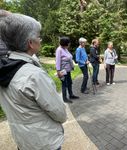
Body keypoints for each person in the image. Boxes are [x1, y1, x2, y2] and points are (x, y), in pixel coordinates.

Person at [0, 13, 67, 150]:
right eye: (38, 36)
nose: (40, 40)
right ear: (30, 43)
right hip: (44, 142)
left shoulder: (5, 67)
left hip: (23, 140)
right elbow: (59, 113)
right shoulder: (34, 75)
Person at [56, 36, 79, 103]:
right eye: (68, 43)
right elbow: (57, 61)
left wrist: (72, 66)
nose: (69, 44)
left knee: (69, 83)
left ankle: (71, 95)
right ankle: (64, 98)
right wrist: (58, 71)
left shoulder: (65, 49)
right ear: (65, 43)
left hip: (68, 70)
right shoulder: (59, 50)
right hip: (63, 71)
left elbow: (69, 58)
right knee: (64, 84)